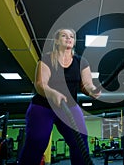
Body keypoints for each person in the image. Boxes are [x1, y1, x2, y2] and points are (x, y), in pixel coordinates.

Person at [18, 28, 101, 165]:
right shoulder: (46, 59)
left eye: (72, 37)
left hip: (69, 106)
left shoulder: (81, 62)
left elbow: (86, 84)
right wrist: (52, 93)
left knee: (80, 140)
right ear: (56, 41)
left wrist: (93, 90)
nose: (69, 38)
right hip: (43, 106)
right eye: (64, 36)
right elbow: (40, 84)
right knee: (37, 141)